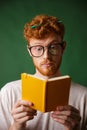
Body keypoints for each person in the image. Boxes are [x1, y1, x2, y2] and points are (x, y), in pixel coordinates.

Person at [0, 14, 87, 130]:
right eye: (38, 48)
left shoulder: (84, 96)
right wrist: (17, 125)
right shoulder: (8, 92)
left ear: (63, 48)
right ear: (29, 51)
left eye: (53, 47)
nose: (46, 56)